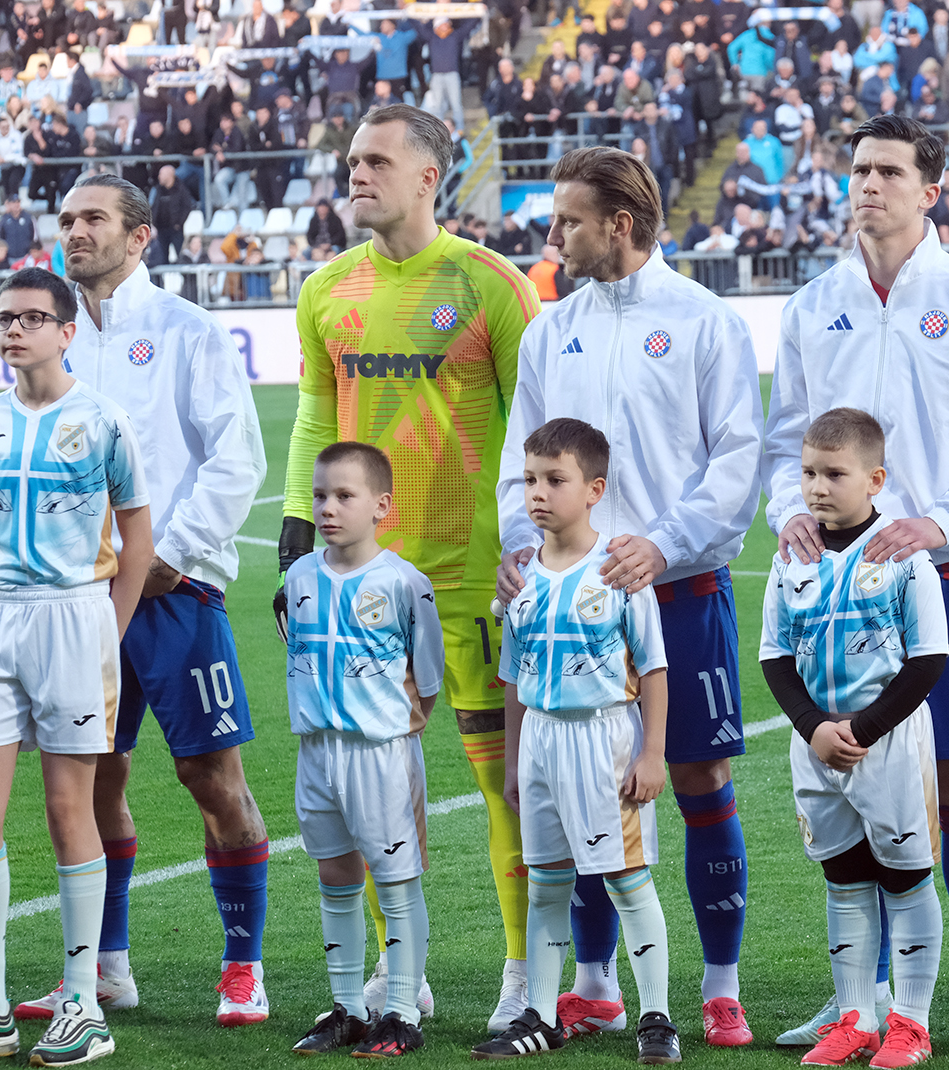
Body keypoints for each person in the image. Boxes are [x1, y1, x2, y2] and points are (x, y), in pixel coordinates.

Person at [763, 114, 949, 1052]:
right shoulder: (813, 305)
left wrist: (939, 523)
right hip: (831, 585)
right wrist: (786, 513)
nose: (866, 185)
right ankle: (862, 1000)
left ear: (931, 190)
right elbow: (780, 445)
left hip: (940, 574)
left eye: (887, 171)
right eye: (857, 171)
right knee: (845, 779)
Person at [495, 146, 763, 1048]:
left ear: (619, 223)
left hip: (677, 591)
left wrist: (664, 544)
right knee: (581, 787)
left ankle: (719, 986)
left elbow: (737, 459)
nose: (554, 235)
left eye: (568, 219)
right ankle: (597, 983)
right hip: (569, 602)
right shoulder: (549, 330)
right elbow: (516, 467)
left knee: (697, 779)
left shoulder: (703, 321)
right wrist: (520, 549)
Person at [284, 104, 540, 1032]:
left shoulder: (491, 286)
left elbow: (536, 428)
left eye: (376, 162)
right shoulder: (325, 290)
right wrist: (291, 526)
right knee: (371, 785)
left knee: (501, 779)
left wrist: (532, 552)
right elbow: (317, 416)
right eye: (351, 161)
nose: (356, 174)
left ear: (430, 177)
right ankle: (402, 979)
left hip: (475, 577)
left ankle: (522, 971)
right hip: (362, 585)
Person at [12, 174, 271, 1027]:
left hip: (171, 592)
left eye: (92, 219)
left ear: (141, 235)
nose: (75, 232)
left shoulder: (186, 330)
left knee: (210, 775)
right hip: (77, 598)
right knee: (92, 779)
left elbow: (237, 460)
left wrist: (166, 554)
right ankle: (103, 968)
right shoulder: (54, 341)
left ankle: (243, 967)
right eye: (66, 220)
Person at [0, 268, 153, 1066]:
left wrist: (105, 634)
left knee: (65, 807)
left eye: (30, 318)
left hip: (76, 618)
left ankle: (82, 1002)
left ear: (66, 329)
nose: (13, 331)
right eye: (3, 318)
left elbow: (137, 539)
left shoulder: (105, 419)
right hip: (2, 620)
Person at [474, 418, 678, 1064]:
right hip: (538, 740)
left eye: (554, 480)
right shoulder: (520, 576)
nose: (538, 492)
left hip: (604, 740)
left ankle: (656, 1016)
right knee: (546, 884)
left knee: (626, 880)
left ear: (593, 489)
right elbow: (510, 675)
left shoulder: (617, 570)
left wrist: (651, 754)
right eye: (530, 479)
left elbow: (653, 670)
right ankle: (538, 1014)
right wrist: (512, 758)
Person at [760, 407, 948, 1069]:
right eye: (808, 471)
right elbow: (775, 657)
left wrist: (859, 730)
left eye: (833, 473)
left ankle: (911, 1025)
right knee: (842, 880)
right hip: (815, 747)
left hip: (887, 744)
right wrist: (814, 729)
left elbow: (928, 660)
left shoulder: (902, 559)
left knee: (905, 880)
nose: (816, 486)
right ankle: (854, 1020)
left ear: (874, 479)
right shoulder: (792, 558)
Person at [284, 442, 443, 1059]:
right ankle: (348, 1007)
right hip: (316, 751)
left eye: (344, 496)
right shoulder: (299, 577)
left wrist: (390, 723)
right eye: (321, 495)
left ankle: (401, 1011)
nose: (328, 507)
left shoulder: (405, 582)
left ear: (381, 507)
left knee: (397, 882)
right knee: (335, 877)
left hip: (381, 753)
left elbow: (427, 678)